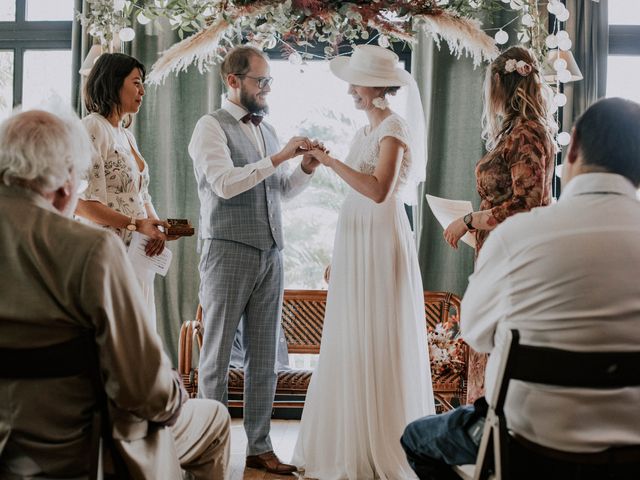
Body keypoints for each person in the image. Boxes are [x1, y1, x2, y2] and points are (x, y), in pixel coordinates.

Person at [401, 97, 640, 479]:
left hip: (525, 441)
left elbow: (477, 333)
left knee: (417, 438)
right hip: (632, 449)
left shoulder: (518, 235)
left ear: (573, 146)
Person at [0, 108, 231, 479]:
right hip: (81, 448)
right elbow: (142, 390)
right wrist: (174, 392)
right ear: (65, 185)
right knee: (215, 418)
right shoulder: (90, 250)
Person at [291, 45, 434, 480]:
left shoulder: (394, 128)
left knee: (376, 334)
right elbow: (354, 195)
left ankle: (382, 442)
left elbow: (377, 191)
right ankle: (349, 438)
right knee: (350, 336)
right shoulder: (363, 131)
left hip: (379, 241)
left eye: (356, 82)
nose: (350, 90)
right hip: (355, 245)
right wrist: (338, 255)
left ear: (375, 86)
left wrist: (329, 161)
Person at [188, 45, 320, 475]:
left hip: (270, 252)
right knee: (216, 356)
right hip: (226, 249)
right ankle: (208, 445)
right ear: (233, 80)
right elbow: (225, 184)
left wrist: (305, 168)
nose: (266, 89)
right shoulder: (209, 127)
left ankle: (259, 446)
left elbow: (278, 190)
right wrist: (280, 158)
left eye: (268, 81)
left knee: (265, 356)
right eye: (259, 81)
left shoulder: (268, 130)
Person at [443, 46, 557, 401]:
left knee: (500, 345)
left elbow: (527, 204)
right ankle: (485, 437)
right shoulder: (515, 132)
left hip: (514, 258)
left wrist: (470, 220)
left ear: (498, 83)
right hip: (497, 251)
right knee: (487, 345)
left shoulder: (527, 134)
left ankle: (495, 437)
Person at [75, 53, 172, 329]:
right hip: (105, 254)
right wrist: (136, 224)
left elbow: (142, 195)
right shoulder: (93, 127)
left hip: (135, 255)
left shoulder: (126, 135)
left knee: (136, 337)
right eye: (136, 83)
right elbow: (82, 203)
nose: (142, 91)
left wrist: (155, 227)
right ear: (114, 83)